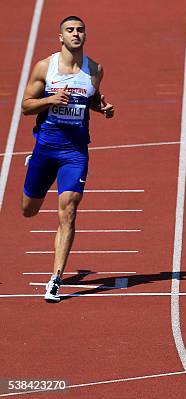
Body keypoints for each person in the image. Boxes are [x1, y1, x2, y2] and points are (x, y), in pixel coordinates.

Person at [21, 16, 115, 302]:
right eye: (70, 30)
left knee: (69, 209)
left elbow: (91, 98)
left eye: (80, 30)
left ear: (85, 36)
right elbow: (26, 105)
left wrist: (104, 108)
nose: (75, 34)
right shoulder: (44, 67)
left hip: (75, 152)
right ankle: (33, 165)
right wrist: (49, 100)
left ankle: (56, 279)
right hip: (46, 149)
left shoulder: (95, 69)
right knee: (28, 210)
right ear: (60, 37)